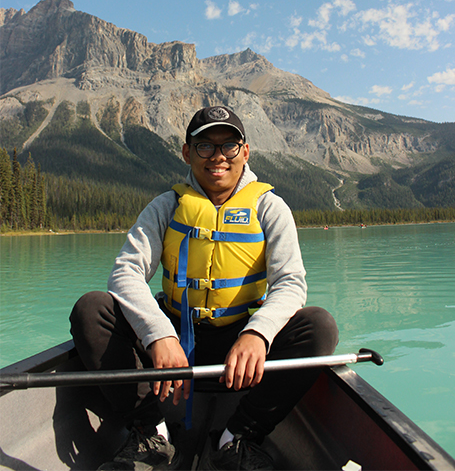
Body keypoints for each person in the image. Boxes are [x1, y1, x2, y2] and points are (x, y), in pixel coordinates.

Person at [70, 106, 339, 471]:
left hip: (240, 346)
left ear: (244, 152)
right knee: (91, 309)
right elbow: (125, 274)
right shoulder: (166, 206)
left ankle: (238, 438)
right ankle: (152, 432)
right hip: (172, 342)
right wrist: (159, 336)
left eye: (228, 146)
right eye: (204, 146)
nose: (218, 157)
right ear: (186, 153)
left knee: (319, 326)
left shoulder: (269, 207)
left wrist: (257, 334)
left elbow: (290, 283)